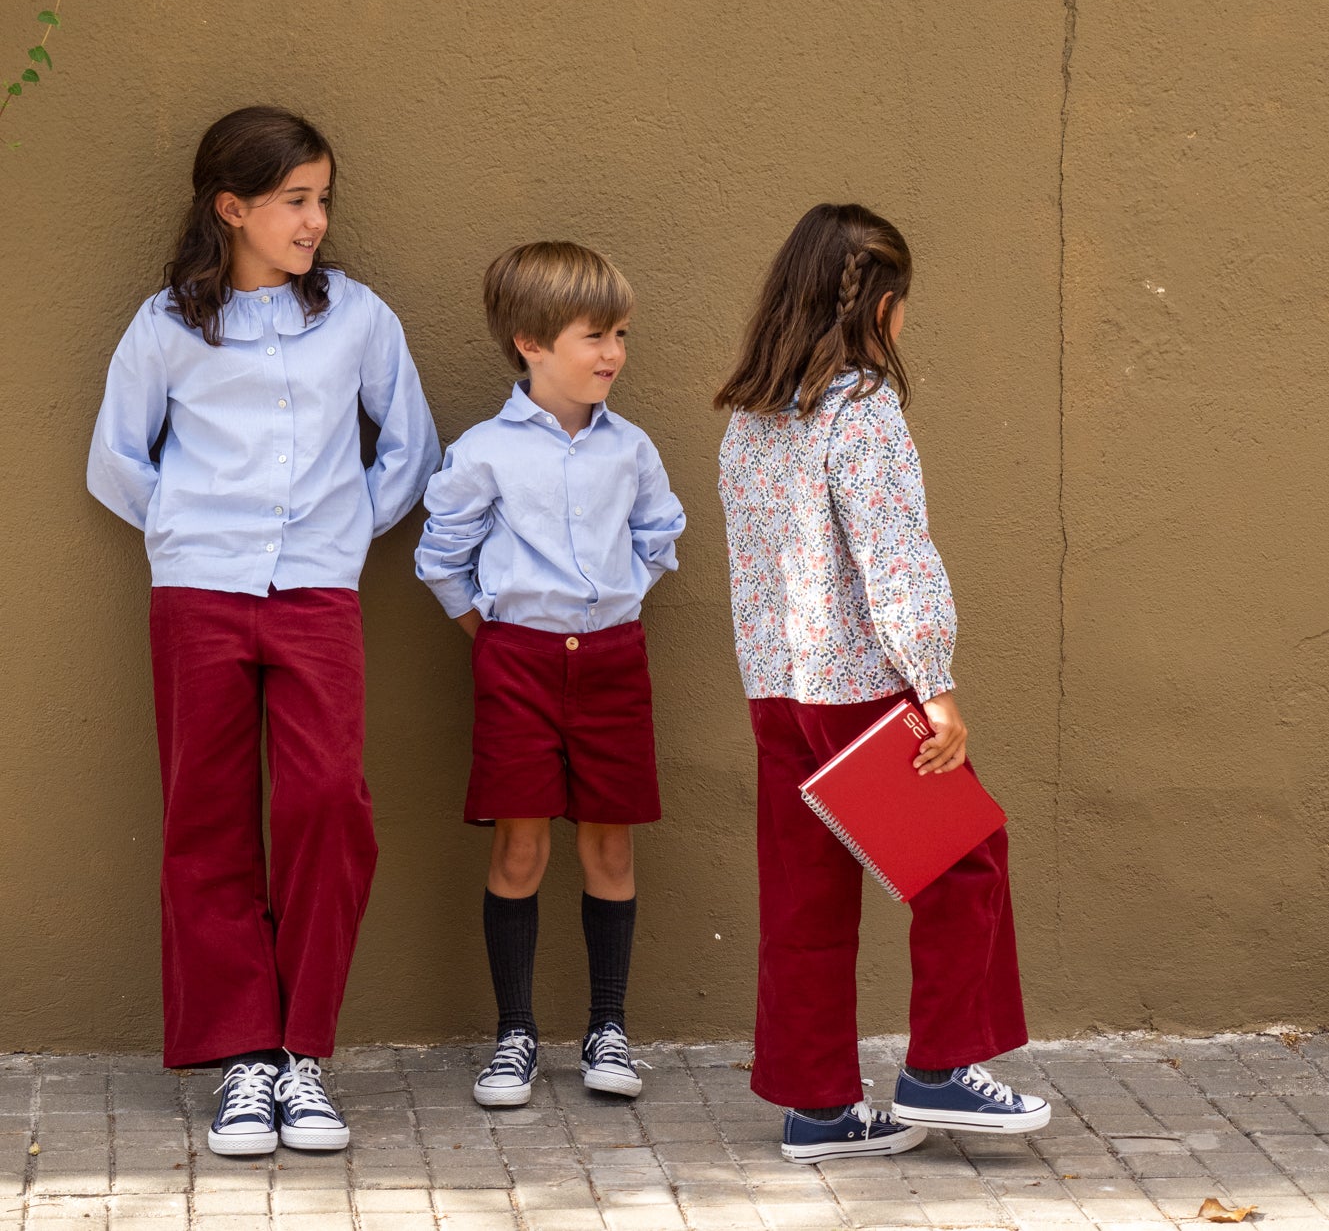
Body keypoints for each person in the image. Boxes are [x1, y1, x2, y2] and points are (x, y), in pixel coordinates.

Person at [87, 106, 440, 1159]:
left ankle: (303, 1049)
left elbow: (409, 449)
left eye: (323, 198)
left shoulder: (359, 319)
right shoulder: (166, 325)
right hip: (196, 592)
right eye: (296, 200)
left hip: (317, 595)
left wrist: (340, 533)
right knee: (209, 816)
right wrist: (191, 526)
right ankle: (244, 1057)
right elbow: (116, 458)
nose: (316, 220)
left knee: (331, 799)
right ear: (231, 208)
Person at [715, 202, 1050, 1163]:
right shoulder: (861, 411)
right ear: (883, 306)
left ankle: (816, 1108)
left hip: (779, 692)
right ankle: (940, 1073)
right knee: (967, 861)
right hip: (858, 686)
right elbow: (894, 556)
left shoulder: (749, 418)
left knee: (805, 898)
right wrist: (931, 682)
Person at [415, 241, 684, 1109]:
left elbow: (658, 538)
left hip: (611, 662)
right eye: (593, 335)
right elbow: (441, 558)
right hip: (517, 663)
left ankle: (608, 1026)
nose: (612, 353)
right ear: (530, 342)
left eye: (620, 335)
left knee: (609, 840)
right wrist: (493, 635)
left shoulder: (629, 449)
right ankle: (515, 1034)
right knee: (520, 843)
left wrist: (610, 602)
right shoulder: (485, 450)